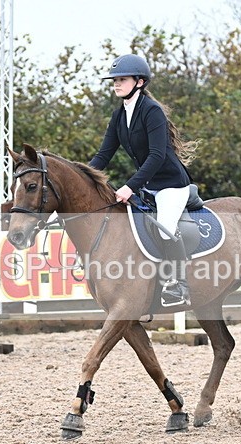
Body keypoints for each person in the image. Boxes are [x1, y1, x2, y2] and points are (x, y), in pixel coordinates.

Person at [89, 54, 198, 307]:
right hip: (148, 186)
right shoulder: (118, 116)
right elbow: (104, 155)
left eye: (122, 79)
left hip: (172, 184)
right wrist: (81, 175)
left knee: (165, 225)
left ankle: (179, 285)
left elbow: (157, 156)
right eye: (115, 80)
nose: (116, 84)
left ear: (139, 82)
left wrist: (130, 186)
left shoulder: (152, 112)